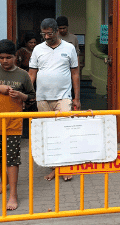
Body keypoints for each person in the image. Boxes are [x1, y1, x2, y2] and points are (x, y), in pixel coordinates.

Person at [0, 39, 35, 211]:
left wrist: (21, 96)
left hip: (13, 124)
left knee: (12, 158)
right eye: (1, 57)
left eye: (8, 57)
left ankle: (13, 195)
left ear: (16, 56)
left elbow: (32, 99)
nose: (4, 61)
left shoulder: (23, 75)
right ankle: (4, 181)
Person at [28, 18, 80, 181]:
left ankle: (62, 168)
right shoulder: (37, 49)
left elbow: (75, 74)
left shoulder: (69, 48)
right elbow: (31, 74)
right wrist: (28, 95)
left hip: (63, 97)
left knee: (64, 132)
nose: (46, 37)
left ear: (57, 31)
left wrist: (77, 98)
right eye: (43, 34)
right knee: (48, 133)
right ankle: (56, 166)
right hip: (42, 98)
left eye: (49, 33)